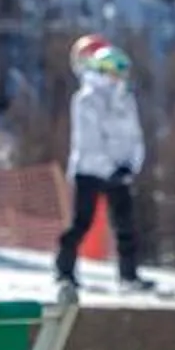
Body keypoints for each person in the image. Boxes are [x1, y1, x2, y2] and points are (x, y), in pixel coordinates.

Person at [55, 43, 147, 291]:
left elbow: (134, 135)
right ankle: (65, 271)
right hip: (89, 171)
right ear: (104, 69)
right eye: (117, 70)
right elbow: (89, 141)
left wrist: (131, 164)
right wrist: (110, 169)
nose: (121, 76)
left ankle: (129, 276)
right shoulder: (86, 99)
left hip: (120, 172)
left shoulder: (124, 98)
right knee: (82, 222)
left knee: (125, 224)